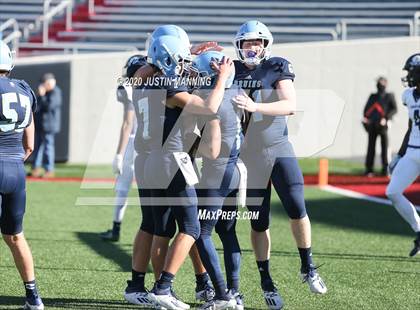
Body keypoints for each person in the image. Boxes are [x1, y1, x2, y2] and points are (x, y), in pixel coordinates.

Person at [232, 21, 327, 309]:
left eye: (257, 42)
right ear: (239, 45)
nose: (252, 47)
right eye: (248, 42)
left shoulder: (276, 66)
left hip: (279, 149)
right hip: (249, 155)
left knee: (297, 208)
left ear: (265, 45)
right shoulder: (231, 71)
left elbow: (289, 104)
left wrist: (255, 107)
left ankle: (308, 266)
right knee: (259, 222)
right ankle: (266, 280)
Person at [145, 35, 233, 310]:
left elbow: (210, 150)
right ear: (168, 60)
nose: (188, 66)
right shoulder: (169, 85)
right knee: (192, 227)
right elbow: (208, 107)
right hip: (171, 161)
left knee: (164, 229)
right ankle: (162, 288)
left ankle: (163, 288)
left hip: (160, 160)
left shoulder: (160, 81)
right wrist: (221, 78)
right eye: (183, 60)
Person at [190, 51, 243, 310]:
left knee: (200, 233)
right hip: (234, 170)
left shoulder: (211, 100)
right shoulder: (236, 91)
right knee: (228, 232)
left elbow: (209, 148)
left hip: (215, 172)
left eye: (200, 74)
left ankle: (222, 295)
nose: (195, 78)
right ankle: (235, 292)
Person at [0, 40, 44, 310]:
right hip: (15, 169)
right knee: (16, 236)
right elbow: (30, 144)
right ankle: (34, 297)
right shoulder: (24, 89)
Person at [100, 56, 139, 242]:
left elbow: (127, 124)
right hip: (156, 145)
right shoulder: (160, 86)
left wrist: (118, 154)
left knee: (123, 188)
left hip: (135, 144)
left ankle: (116, 228)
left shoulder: (130, 89)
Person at [386, 53, 420, 257]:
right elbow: (410, 126)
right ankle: (418, 229)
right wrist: (399, 155)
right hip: (413, 152)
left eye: (412, 72)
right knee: (393, 191)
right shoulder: (408, 95)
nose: (408, 76)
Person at [362, 77, 397, 176]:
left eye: (381, 82)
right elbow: (366, 110)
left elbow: (394, 109)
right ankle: (369, 169)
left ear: (386, 83)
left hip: (383, 126)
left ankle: (385, 168)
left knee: (384, 147)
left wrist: (386, 118)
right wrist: (366, 118)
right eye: (378, 82)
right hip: (372, 125)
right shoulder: (373, 96)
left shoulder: (389, 96)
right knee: (371, 147)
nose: (379, 84)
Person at [30, 72, 62, 178]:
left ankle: (49, 170)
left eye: (44, 83)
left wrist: (42, 96)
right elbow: (36, 107)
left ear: (49, 83)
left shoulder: (56, 92)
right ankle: (36, 168)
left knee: (48, 147)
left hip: (49, 126)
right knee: (37, 147)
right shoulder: (42, 93)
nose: (42, 86)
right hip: (40, 125)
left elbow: (49, 107)